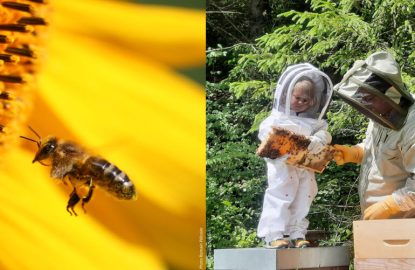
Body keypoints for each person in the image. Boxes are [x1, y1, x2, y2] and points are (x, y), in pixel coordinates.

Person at [257, 63, 333, 249]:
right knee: (280, 196)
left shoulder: (315, 121)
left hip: (305, 168)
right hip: (282, 168)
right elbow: (266, 135)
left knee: (304, 196)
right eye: (297, 97)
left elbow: (325, 134)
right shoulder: (276, 118)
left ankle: (297, 234)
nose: (300, 102)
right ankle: (273, 235)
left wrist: (319, 139)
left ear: (313, 102)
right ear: (287, 94)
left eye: (305, 100)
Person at [333, 51, 415, 219]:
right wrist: (355, 153)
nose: (365, 103)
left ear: (389, 93)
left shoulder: (412, 124)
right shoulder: (381, 114)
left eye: (369, 97)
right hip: (379, 225)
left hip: (404, 225)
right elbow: (378, 148)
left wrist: (390, 205)